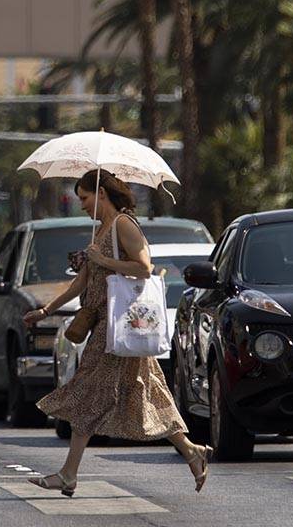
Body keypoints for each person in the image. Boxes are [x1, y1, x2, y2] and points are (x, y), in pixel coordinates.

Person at [24, 169, 211, 496]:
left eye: (84, 197)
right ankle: (191, 450)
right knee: (144, 393)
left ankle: (68, 474)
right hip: (109, 328)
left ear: (101, 193)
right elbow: (80, 283)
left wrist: (104, 261)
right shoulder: (101, 232)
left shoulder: (124, 224)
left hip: (119, 327)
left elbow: (144, 267)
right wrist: (46, 310)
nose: (81, 204)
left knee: (89, 392)